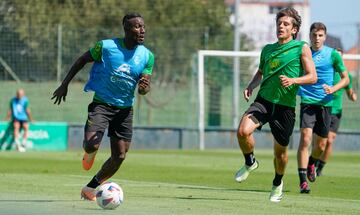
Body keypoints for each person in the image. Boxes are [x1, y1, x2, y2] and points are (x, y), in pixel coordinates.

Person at [51, 12, 154, 201]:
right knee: (91, 145)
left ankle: (90, 188)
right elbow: (82, 59)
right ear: (126, 28)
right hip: (102, 105)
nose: (142, 30)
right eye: (137, 27)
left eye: (143, 27)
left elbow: (143, 89)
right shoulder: (106, 47)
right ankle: (89, 154)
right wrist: (64, 84)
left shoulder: (147, 56)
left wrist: (144, 88)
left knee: (120, 156)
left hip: (125, 110)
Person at [234, 7, 317, 203]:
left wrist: (293, 81)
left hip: (284, 108)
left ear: (294, 29)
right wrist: (251, 86)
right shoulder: (268, 49)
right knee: (242, 131)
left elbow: (312, 76)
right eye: (279, 23)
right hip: (263, 101)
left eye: (286, 24)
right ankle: (250, 162)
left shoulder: (301, 48)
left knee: (280, 154)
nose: (281, 26)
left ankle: (278, 183)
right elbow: (261, 73)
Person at [297, 22, 349, 193]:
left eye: (320, 35)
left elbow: (345, 79)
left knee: (320, 146)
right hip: (307, 101)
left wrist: (333, 88)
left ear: (325, 37)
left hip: (326, 105)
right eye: (314, 35)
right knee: (305, 138)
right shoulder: (303, 53)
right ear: (310, 36)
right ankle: (303, 181)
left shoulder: (333, 55)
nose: (317, 38)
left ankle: (312, 163)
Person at [316, 48, 357, 176]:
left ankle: (320, 168)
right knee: (319, 141)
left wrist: (352, 96)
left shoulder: (346, 76)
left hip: (336, 112)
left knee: (329, 140)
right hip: (322, 109)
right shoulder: (325, 72)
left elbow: (350, 92)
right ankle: (313, 162)